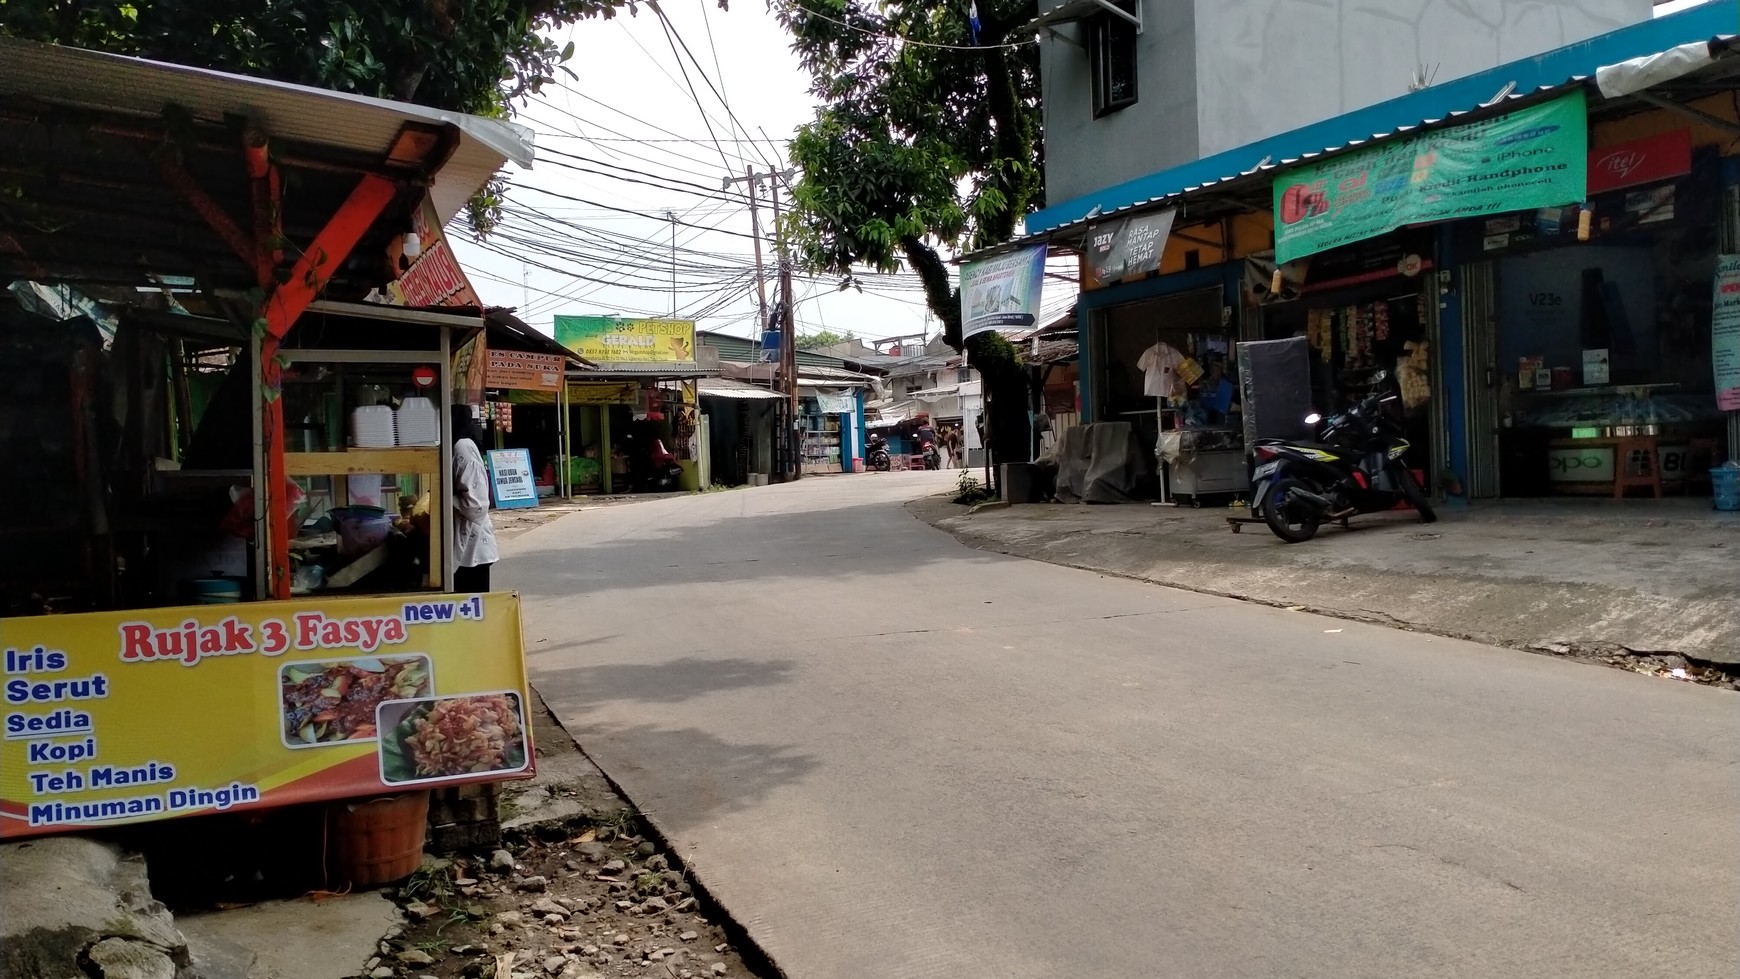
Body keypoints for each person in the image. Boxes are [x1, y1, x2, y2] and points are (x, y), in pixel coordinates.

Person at [451, 404, 498, 592]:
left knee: (472, 608)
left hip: (472, 548)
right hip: (466, 545)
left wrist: (446, 498)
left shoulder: (462, 448)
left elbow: (476, 507)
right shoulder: (457, 445)